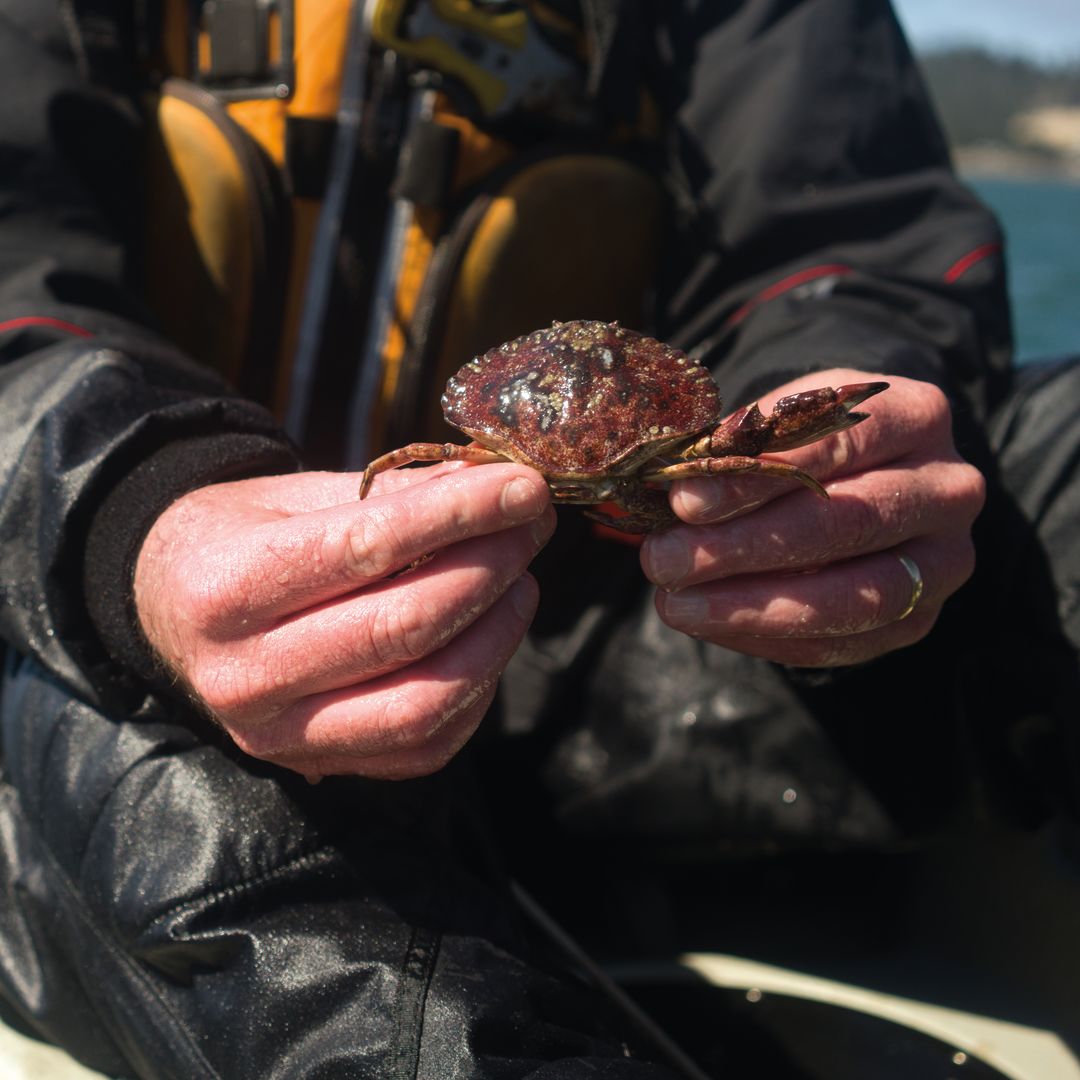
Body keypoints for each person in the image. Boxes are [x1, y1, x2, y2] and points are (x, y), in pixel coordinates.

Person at [1, 0, 1078, 1076]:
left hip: (646, 623)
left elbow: (852, 238)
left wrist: (831, 458)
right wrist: (139, 515)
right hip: (166, 667)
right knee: (184, 809)